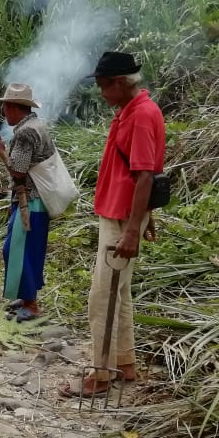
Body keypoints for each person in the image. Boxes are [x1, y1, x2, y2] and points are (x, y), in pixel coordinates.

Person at [59, 51, 165, 398]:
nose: (102, 93)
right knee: (120, 292)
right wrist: (147, 218)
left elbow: (146, 174)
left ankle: (101, 373)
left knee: (102, 295)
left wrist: (134, 227)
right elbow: (142, 173)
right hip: (121, 213)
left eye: (104, 86)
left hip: (122, 218)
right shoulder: (129, 112)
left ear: (120, 83)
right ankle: (126, 363)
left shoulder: (142, 115)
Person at [0, 84, 56, 322]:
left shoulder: (25, 132)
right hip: (34, 200)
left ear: (13, 107)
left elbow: (18, 171)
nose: (3, 110)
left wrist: (1, 152)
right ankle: (25, 296)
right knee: (25, 249)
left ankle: (31, 304)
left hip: (32, 201)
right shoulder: (35, 126)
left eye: (5, 106)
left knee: (19, 250)